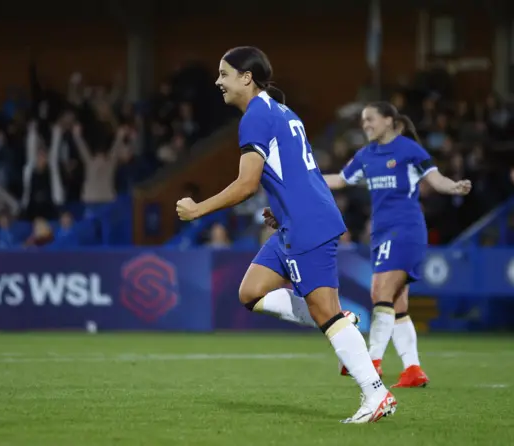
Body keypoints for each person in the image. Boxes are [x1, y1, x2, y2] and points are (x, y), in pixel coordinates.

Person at [176, 46, 396, 423]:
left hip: (307, 223)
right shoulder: (282, 112)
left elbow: (246, 184)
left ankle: (375, 393)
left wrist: (198, 209)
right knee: (251, 291)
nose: (218, 81)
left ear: (246, 78)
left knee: (324, 312)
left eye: (224, 74)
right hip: (297, 220)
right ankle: (337, 318)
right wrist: (280, 210)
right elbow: (297, 171)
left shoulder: (256, 116)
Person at [321, 102, 472, 388]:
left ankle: (371, 362)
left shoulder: (409, 150)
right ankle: (413, 370)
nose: (365, 125)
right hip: (380, 233)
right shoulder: (365, 155)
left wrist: (453, 186)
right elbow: (341, 180)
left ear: (389, 121)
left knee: (380, 292)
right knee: (397, 305)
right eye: (363, 121)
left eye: (370, 119)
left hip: (405, 230)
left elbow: (434, 177)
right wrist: (308, 178)